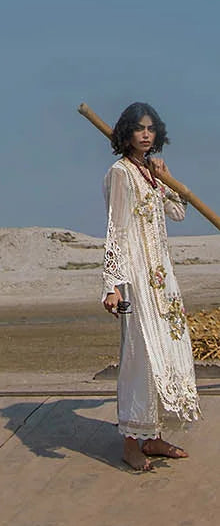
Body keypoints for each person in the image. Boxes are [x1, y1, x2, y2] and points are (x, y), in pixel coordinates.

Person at [102, 102, 199, 472]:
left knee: (167, 351)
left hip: (163, 278)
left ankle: (153, 436)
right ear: (126, 132)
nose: (145, 134)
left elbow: (178, 212)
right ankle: (131, 442)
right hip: (137, 279)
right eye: (139, 128)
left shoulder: (150, 173)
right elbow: (116, 229)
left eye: (151, 128)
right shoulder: (120, 173)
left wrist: (167, 177)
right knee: (139, 357)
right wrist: (113, 285)